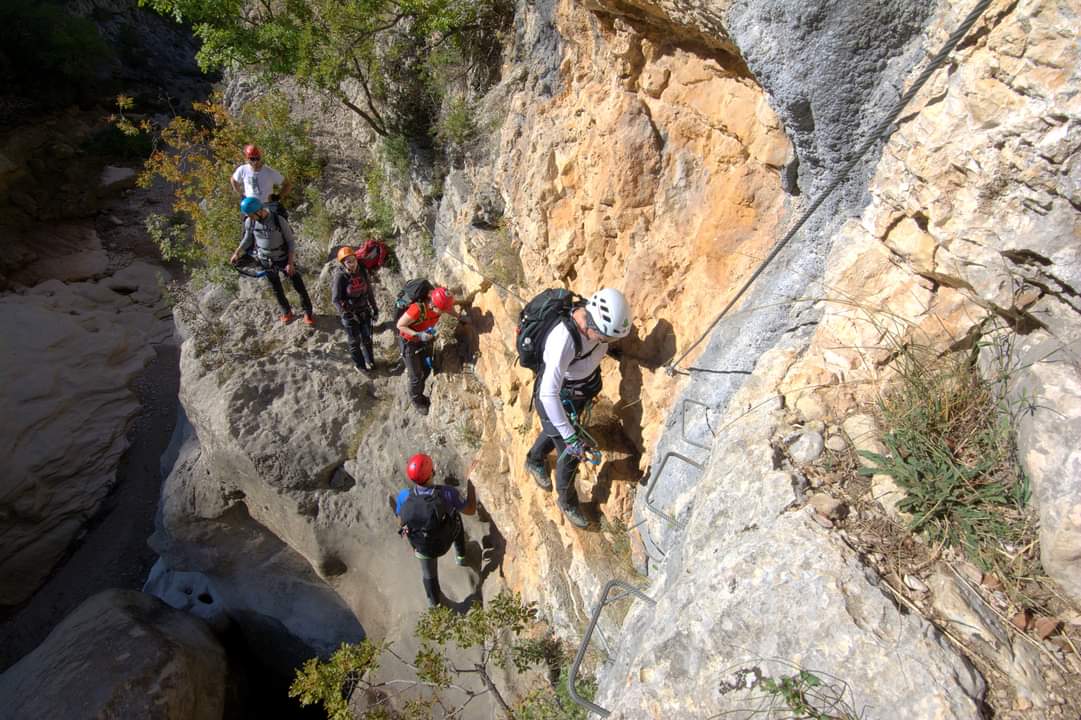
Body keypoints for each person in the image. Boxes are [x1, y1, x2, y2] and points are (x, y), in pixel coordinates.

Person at [523, 288, 632, 528]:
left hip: (577, 391)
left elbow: (598, 346)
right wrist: (572, 439)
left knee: (556, 431)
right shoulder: (564, 341)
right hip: (557, 397)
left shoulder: (593, 325)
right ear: (591, 326)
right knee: (570, 452)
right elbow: (548, 393)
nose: (607, 343)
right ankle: (567, 500)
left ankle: (534, 457)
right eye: (606, 337)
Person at [394, 453, 476, 608]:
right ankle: (461, 557)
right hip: (445, 541)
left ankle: (435, 604)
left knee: (428, 575)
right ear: (432, 473)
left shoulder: (404, 496)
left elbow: (402, 522)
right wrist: (470, 482)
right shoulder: (447, 493)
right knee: (455, 516)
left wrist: (411, 538)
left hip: (423, 547)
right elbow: (471, 510)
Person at [229, 196, 315, 325]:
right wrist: (237, 252)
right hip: (265, 259)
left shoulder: (278, 220)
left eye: (251, 215)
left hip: (283, 258)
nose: (250, 217)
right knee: (276, 288)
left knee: (298, 286)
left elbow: (290, 242)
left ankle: (308, 312)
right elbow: (247, 238)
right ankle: (286, 312)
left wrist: (290, 263)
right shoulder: (250, 221)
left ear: (259, 211)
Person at [395, 285, 456, 415]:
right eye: (442, 310)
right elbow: (400, 325)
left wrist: (461, 318)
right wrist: (419, 335)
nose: (443, 312)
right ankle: (417, 400)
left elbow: (450, 310)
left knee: (426, 368)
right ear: (433, 304)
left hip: (423, 340)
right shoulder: (417, 309)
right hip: (409, 343)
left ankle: (418, 389)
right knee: (415, 376)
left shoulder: (440, 306)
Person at [331, 245, 379, 373]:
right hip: (349, 312)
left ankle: (370, 361)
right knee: (354, 341)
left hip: (364, 309)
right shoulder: (340, 277)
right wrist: (344, 313)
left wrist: (375, 308)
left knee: (367, 338)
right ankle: (360, 365)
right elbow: (335, 299)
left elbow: (369, 290)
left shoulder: (362, 271)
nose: (352, 264)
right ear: (343, 263)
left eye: (354, 260)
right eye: (348, 262)